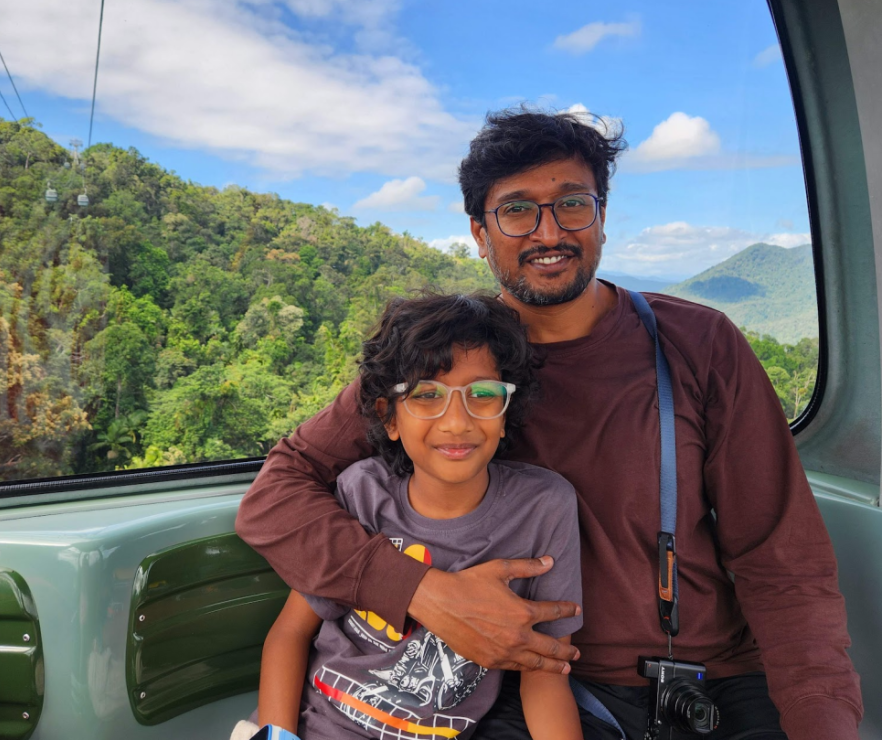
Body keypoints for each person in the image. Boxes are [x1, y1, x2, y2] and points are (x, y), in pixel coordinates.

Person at [236, 109, 862, 740]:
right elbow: (275, 495)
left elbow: (783, 564)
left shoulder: (699, 345)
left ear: (603, 218)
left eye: (571, 204)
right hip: (541, 682)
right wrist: (421, 592)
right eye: (516, 210)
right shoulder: (446, 365)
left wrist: (820, 716)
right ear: (480, 233)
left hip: (712, 679)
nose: (548, 232)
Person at [242, 293, 584, 740]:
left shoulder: (544, 509)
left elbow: (545, 670)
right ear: (390, 418)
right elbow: (289, 633)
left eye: (482, 394)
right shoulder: (361, 492)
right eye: (426, 395)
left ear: (506, 413)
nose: (457, 421)